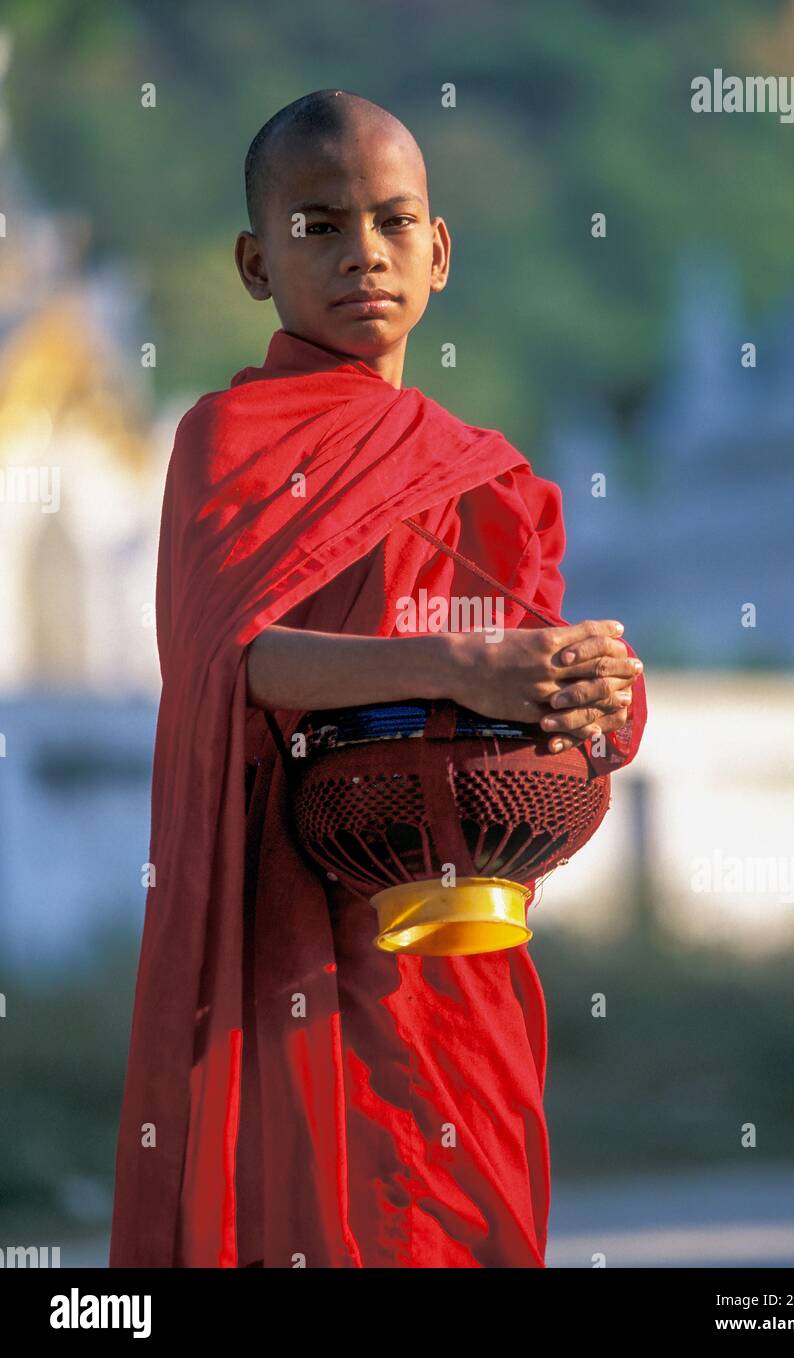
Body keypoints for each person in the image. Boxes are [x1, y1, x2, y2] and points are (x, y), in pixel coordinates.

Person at [108, 89, 647, 1269]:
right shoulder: (228, 439)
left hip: (461, 951)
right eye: (319, 227)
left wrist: (589, 690)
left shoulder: (487, 474)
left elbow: (529, 670)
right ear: (257, 262)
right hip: (294, 938)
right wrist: (463, 666)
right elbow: (231, 662)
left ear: (439, 250)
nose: (363, 253)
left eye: (394, 222)